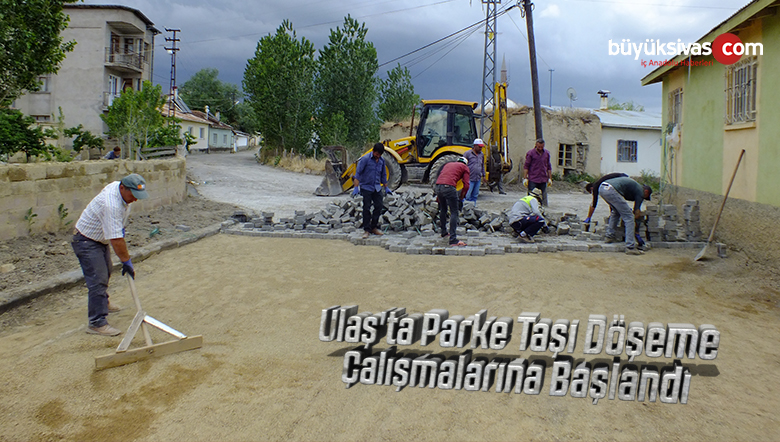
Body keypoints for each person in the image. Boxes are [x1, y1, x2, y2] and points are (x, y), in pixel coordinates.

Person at [71, 173, 148, 336]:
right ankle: (97, 323)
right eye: (133, 195)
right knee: (97, 279)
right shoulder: (111, 204)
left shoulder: (120, 190)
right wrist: (126, 261)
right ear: (122, 188)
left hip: (99, 239)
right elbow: (116, 239)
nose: (135, 199)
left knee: (106, 271)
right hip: (86, 241)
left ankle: (103, 303)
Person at [598, 176, 652, 255]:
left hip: (602, 188)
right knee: (629, 217)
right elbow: (636, 212)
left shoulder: (635, 187)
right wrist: (637, 228)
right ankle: (630, 247)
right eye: (646, 197)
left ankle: (609, 236)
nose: (643, 198)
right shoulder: (640, 191)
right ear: (646, 192)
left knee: (616, 212)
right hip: (611, 190)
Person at [354, 143, 388, 239]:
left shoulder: (381, 161)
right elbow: (358, 173)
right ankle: (366, 229)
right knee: (367, 208)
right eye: (376, 154)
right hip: (366, 187)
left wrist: (386, 186)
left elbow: (383, 175)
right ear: (373, 151)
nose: (377, 156)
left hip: (377, 187)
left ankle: (374, 227)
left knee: (379, 206)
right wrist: (356, 187)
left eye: (379, 155)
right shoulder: (365, 159)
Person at [435, 157, 470, 246]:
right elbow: (466, 185)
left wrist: (438, 196)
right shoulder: (465, 167)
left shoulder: (448, 164)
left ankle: (444, 232)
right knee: (454, 212)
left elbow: (440, 177)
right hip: (449, 187)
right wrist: (462, 196)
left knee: (443, 209)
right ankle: (453, 239)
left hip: (438, 186)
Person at [522, 138, 552, 206]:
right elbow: (526, 166)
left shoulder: (547, 153)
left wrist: (549, 178)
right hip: (533, 178)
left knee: (541, 196)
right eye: (539, 147)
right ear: (536, 145)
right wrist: (525, 178)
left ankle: (540, 208)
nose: (540, 148)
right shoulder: (530, 153)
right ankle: (530, 208)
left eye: (542, 147)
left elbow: (548, 166)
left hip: (543, 178)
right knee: (531, 196)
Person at [463, 138, 485, 204]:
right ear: (475, 146)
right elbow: (462, 165)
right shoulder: (467, 154)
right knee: (467, 195)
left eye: (481, 147)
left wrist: (484, 175)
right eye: (479, 146)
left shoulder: (481, 155)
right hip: (469, 178)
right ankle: (465, 209)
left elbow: (482, 165)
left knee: (475, 195)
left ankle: (473, 209)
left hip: (478, 178)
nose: (481, 148)